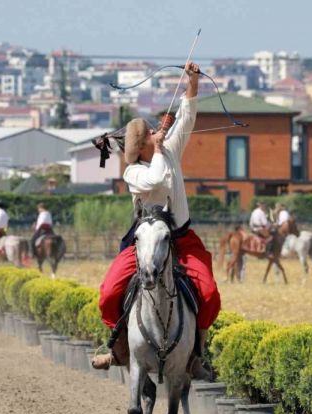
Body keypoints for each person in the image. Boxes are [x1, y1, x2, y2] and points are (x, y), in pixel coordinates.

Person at [92, 62, 220, 380]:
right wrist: (162, 148)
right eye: (151, 132)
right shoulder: (133, 171)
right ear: (143, 145)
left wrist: (191, 82)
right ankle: (117, 348)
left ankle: (197, 354)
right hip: (145, 241)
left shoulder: (168, 149)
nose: (156, 132)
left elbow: (187, 114)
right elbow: (155, 179)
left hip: (182, 239)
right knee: (109, 293)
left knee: (209, 294)